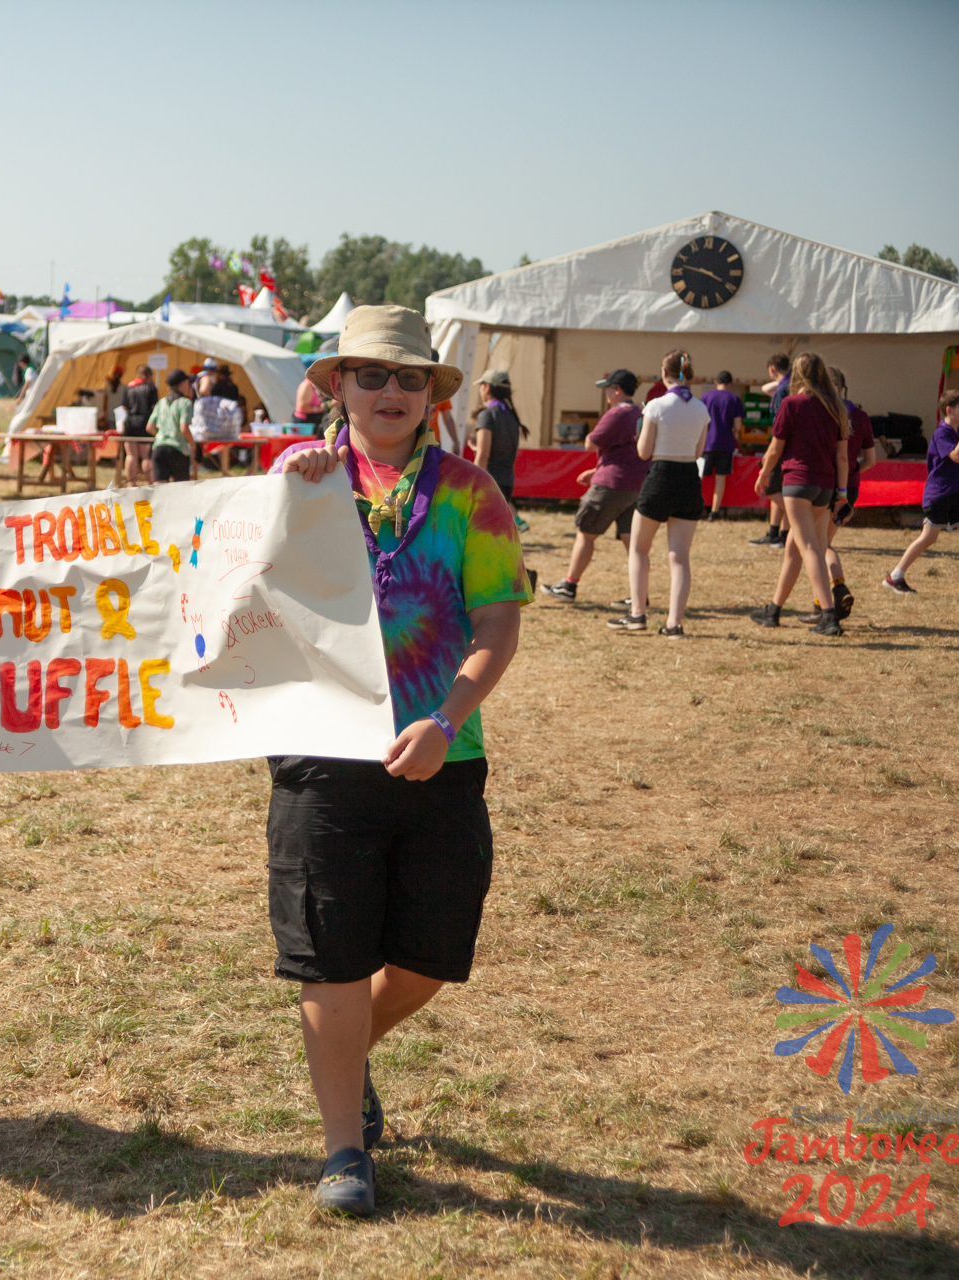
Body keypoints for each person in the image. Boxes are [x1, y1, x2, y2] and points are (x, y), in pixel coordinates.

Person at [266, 305, 527, 1217]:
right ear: (336, 387)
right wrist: (283, 497)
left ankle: (343, 1054)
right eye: (371, 376)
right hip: (321, 757)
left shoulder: (470, 493)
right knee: (333, 958)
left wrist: (447, 721)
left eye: (409, 378)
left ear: (430, 396)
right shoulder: (294, 482)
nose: (390, 392)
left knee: (428, 957)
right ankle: (344, 1149)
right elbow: (229, 593)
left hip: (440, 755)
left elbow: (498, 619)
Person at [748, 353, 852, 635]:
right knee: (796, 548)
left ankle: (829, 616)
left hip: (798, 482)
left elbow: (775, 448)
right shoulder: (835, 408)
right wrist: (841, 493)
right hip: (826, 485)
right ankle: (773, 610)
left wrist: (763, 473)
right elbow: (842, 457)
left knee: (809, 550)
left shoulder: (791, 404)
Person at [612, 351, 710, 637]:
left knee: (639, 549)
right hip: (689, 478)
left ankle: (637, 614)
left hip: (661, 477)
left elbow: (643, 452)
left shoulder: (655, 406)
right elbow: (697, 452)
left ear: (664, 373)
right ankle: (674, 623)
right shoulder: (701, 409)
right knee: (679, 557)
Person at [883, 391, 959, 599]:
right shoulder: (942, 433)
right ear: (949, 410)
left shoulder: (954, 433)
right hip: (940, 494)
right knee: (928, 538)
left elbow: (957, 458)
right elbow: (955, 456)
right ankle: (895, 576)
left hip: (956, 494)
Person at [540, 370, 646, 601]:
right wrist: (597, 470)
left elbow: (590, 443)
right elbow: (627, 454)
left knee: (585, 533)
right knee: (632, 541)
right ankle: (640, 596)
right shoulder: (640, 413)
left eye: (608, 388)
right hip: (634, 484)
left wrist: (601, 471)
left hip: (610, 484)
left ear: (617, 389)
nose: (606, 393)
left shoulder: (616, 413)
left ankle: (569, 585)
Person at [791, 367, 880, 621]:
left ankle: (826, 601)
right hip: (849, 486)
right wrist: (853, 471)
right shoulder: (860, 415)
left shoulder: (821, 412)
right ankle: (834, 590)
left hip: (824, 483)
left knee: (817, 548)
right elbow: (871, 460)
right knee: (823, 545)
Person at [470, 370, 526, 531]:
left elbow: (483, 455)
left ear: (486, 387)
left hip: (488, 481)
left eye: (481, 385)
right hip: (507, 480)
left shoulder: (487, 415)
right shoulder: (511, 416)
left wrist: (472, 483)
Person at [750, 353, 793, 547]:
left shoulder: (784, 388)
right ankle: (778, 533)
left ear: (771, 369)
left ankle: (799, 517)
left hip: (781, 443)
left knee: (770, 487)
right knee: (780, 489)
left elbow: (779, 424)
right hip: (789, 445)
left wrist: (771, 450)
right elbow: (766, 388)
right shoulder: (792, 385)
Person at [699, 370, 743, 518]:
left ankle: (697, 508)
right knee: (720, 478)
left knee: (700, 477)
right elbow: (737, 426)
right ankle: (714, 511)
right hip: (725, 444)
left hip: (706, 444)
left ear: (716, 383)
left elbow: (698, 421)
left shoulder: (705, 398)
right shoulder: (734, 399)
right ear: (730, 384)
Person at [148, 369, 195, 483]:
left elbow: (149, 427)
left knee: (159, 489)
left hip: (159, 448)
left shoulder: (161, 402)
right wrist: (193, 444)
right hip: (178, 450)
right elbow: (184, 429)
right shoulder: (185, 403)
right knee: (182, 490)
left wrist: (163, 435)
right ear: (182, 383)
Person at [117, 364, 158, 487]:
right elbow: (154, 407)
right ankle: (151, 484)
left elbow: (124, 406)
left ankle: (131, 484)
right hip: (144, 423)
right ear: (150, 376)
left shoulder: (129, 387)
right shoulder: (151, 387)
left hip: (130, 423)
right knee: (146, 456)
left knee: (131, 455)